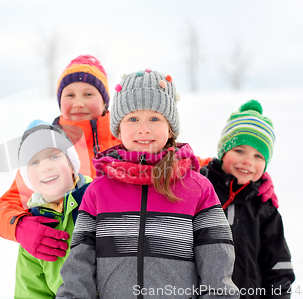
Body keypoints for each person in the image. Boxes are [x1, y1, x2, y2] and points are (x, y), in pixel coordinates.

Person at [57, 70, 239, 298]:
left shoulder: (198, 189)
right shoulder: (98, 191)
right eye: (132, 119)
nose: (143, 128)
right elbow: (78, 267)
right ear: (118, 129)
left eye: (154, 118)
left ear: (170, 127)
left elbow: (217, 267)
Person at [0, 55, 120, 262]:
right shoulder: (46, 149)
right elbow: (5, 207)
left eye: (88, 94)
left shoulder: (127, 139)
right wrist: (21, 227)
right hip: (63, 266)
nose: (78, 103)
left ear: (105, 100)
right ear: (59, 102)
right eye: (69, 95)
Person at [200, 100, 295, 298]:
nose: (247, 161)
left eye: (258, 156)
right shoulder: (200, 191)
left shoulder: (265, 209)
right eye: (239, 150)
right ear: (223, 152)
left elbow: (278, 269)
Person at [13, 120, 93, 298]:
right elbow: (31, 291)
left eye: (54, 156)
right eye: (34, 163)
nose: (45, 167)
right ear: (27, 178)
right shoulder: (33, 229)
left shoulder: (97, 199)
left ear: (72, 165)